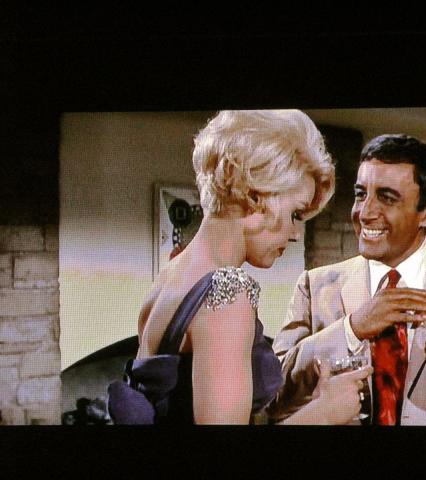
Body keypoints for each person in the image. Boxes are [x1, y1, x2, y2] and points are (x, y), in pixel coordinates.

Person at [269, 134, 426, 426]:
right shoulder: (314, 286)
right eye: (360, 194)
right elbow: (273, 397)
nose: (365, 213)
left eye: (387, 198)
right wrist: (352, 329)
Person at [135, 110, 372, 425]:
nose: (295, 234)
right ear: (255, 194)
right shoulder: (227, 296)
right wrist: (324, 414)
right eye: (295, 214)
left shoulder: (175, 270)